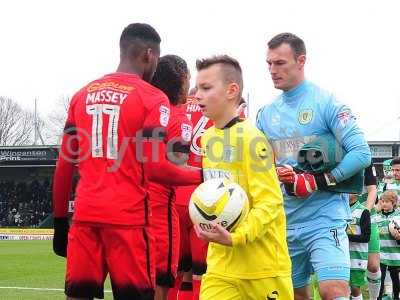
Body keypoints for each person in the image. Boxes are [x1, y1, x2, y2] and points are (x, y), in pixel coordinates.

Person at [52, 23, 202, 300]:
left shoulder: (81, 95)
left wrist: (60, 222)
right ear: (149, 54)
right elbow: (155, 167)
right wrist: (204, 175)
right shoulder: (152, 98)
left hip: (85, 218)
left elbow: (64, 167)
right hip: (128, 221)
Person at [256, 33, 371, 299]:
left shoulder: (327, 103)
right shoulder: (265, 115)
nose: (273, 70)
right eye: (269, 64)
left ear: (301, 61)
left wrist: (318, 181)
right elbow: (260, 166)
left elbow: (362, 153)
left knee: (334, 291)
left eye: (280, 63)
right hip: (285, 221)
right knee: (296, 295)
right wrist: (275, 173)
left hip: (324, 218)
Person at [194, 55, 293, 300]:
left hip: (263, 269)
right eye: (197, 88)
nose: (197, 95)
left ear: (232, 90)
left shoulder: (252, 139)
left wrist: (237, 237)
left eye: (206, 88)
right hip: (220, 268)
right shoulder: (207, 138)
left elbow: (271, 203)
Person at [148, 54, 193, 300]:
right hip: (162, 207)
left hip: (133, 206)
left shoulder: (146, 106)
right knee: (162, 280)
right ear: (182, 79)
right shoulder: (177, 115)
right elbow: (177, 167)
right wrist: (208, 175)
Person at [357, 164, 381, 300]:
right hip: (343, 216)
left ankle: (374, 298)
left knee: (372, 266)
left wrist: (365, 211)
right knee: (350, 268)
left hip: (367, 217)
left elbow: (373, 190)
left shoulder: (365, 162)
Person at [374, 190, 400, 300]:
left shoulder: (398, 217)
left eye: (386, 201)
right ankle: (378, 297)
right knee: (381, 278)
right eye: (382, 201)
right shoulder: (376, 217)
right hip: (381, 255)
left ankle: (396, 297)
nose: (383, 203)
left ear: (393, 203)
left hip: (395, 254)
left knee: (395, 279)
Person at [347, 193, 371, 300]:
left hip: (357, 256)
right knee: (341, 288)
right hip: (341, 255)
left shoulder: (363, 211)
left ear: (357, 193)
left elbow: (366, 237)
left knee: (354, 288)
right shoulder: (338, 209)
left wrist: (346, 237)